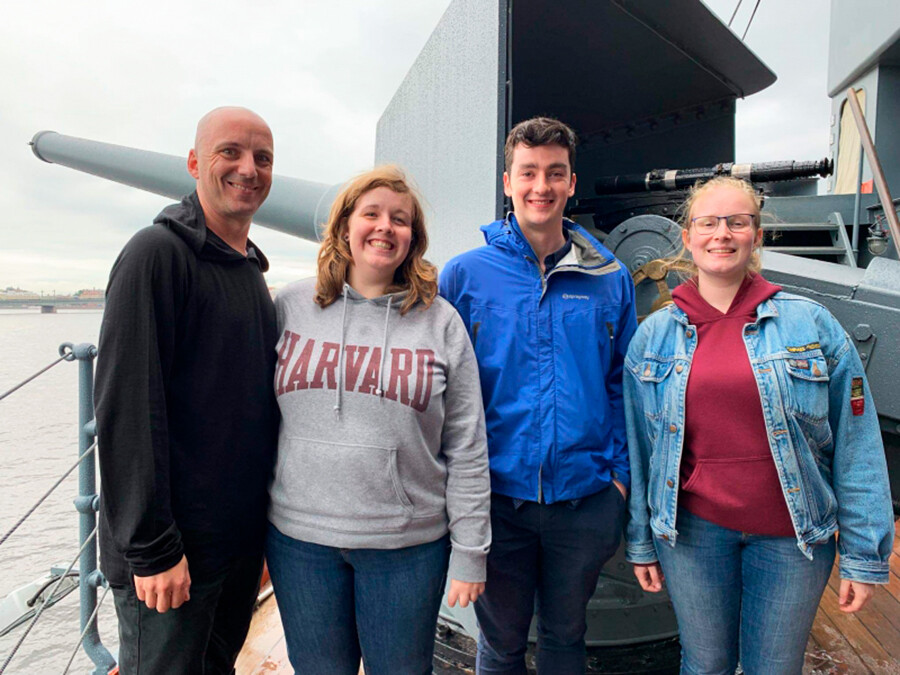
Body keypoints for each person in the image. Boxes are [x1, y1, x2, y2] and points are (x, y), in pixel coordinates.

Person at [624, 176, 895, 674]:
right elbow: (641, 451)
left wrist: (864, 553)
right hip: (694, 535)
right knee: (705, 665)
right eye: (707, 223)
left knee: (774, 666)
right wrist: (641, 539)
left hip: (792, 539)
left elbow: (856, 441)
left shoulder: (811, 325)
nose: (721, 234)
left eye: (737, 222)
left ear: (756, 235)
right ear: (687, 237)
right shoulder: (653, 338)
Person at [266, 165, 491, 675]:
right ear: (346, 225)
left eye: (400, 219)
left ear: (413, 238)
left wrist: (470, 551)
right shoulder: (290, 306)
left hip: (406, 547)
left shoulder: (441, 321)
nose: (385, 227)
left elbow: (467, 444)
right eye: (371, 214)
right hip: (301, 544)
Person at [440, 117, 638, 674]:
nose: (541, 187)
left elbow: (621, 382)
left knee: (565, 638)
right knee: (500, 645)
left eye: (555, 173)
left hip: (585, 501)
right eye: (528, 173)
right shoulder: (465, 276)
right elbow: (448, 392)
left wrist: (618, 483)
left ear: (572, 183)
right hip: (498, 502)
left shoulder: (609, 278)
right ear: (508, 181)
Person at [94, 107, 280, 674]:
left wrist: (262, 536)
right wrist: (152, 549)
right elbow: (128, 409)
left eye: (262, 158)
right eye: (231, 152)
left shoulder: (249, 272)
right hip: (173, 557)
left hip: (235, 547)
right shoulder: (157, 255)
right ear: (196, 163)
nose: (248, 169)